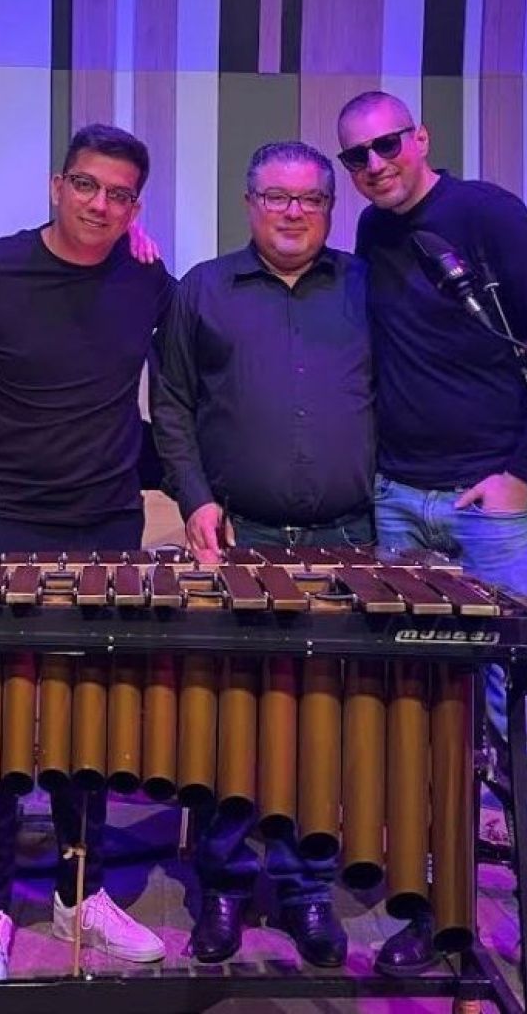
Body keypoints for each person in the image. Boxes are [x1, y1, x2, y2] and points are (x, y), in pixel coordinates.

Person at [336, 91, 527, 1012]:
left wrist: (523, 473)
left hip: (489, 509)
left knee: (523, 725)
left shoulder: (488, 214)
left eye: (386, 145)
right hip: (397, 504)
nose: (374, 165)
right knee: (426, 723)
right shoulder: (372, 233)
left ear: (420, 139)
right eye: (356, 157)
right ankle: (439, 909)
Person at [0, 124, 174, 980]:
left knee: (89, 715)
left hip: (104, 521)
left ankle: (83, 891)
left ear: (135, 208)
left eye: (118, 195)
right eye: (85, 185)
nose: (99, 205)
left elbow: (181, 390)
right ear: (55, 184)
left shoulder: (148, 281)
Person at [150, 140, 369, 968]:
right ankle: (225, 885)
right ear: (249, 203)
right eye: (276, 196)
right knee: (232, 719)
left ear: (329, 211)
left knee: (322, 723)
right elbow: (171, 404)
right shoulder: (202, 289)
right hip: (238, 538)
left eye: (309, 199)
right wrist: (194, 498)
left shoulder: (364, 287)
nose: (291, 212)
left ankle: (307, 888)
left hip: (349, 540)